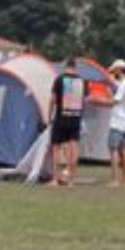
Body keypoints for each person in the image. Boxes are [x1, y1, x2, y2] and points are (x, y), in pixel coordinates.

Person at [49, 58, 86, 186]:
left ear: (65, 66)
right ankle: (71, 180)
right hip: (76, 118)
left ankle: (55, 179)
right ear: (75, 67)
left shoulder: (59, 79)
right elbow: (84, 100)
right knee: (73, 149)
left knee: (56, 149)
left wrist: (49, 115)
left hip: (61, 117)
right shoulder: (82, 81)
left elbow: (53, 100)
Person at [107, 59, 125, 187]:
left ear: (119, 69)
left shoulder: (124, 85)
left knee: (114, 150)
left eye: (115, 70)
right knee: (124, 150)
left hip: (117, 121)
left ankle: (115, 180)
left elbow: (115, 101)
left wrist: (100, 100)